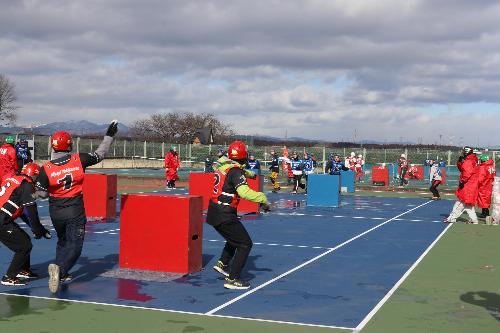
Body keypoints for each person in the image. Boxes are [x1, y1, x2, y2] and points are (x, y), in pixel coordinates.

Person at [35, 120, 118, 293]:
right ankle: (61, 269)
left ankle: (60, 271)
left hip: (55, 211)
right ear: (69, 145)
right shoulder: (78, 159)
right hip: (74, 208)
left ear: (53, 146)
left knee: (63, 240)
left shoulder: (46, 168)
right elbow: (100, 154)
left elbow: (40, 194)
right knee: (75, 244)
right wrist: (109, 135)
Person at [207, 141, 270, 290]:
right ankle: (233, 278)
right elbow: (244, 192)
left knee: (234, 238)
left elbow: (236, 170)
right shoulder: (236, 172)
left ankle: (223, 263)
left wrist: (250, 174)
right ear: (245, 157)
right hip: (225, 214)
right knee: (245, 243)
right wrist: (262, 199)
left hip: (214, 211)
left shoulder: (223, 165)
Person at [0, 163, 51, 286]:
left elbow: (22, 212)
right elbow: (31, 211)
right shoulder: (27, 185)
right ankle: (9, 277)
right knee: (24, 246)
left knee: (25, 240)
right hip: (2, 220)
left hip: (3, 218)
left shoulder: (16, 180)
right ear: (33, 176)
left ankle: (23, 270)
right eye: (37, 177)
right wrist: (37, 230)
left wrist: (40, 229)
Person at [444, 146, 479, 224]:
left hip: (468, 185)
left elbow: (466, 172)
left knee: (460, 202)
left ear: (466, 152)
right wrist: (460, 162)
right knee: (468, 204)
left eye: (464, 151)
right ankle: (474, 220)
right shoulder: (473, 160)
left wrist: (463, 181)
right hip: (472, 185)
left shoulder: (469, 161)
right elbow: (463, 169)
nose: (463, 153)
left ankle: (451, 218)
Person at [477, 154, 496, 218]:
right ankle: (486, 212)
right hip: (490, 184)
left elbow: (480, 178)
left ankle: (485, 213)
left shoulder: (483, 167)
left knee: (483, 198)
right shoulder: (492, 166)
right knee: (487, 198)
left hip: (484, 185)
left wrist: (476, 183)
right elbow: (494, 175)